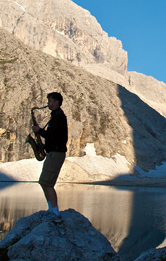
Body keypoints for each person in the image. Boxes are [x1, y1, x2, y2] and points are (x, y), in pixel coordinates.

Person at [32, 92, 68, 222]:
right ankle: (51, 210)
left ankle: (56, 214)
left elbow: (52, 136)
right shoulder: (55, 116)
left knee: (48, 183)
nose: (48, 103)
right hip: (53, 152)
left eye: (50, 100)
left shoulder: (59, 117)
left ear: (57, 102)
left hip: (56, 154)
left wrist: (39, 131)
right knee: (43, 182)